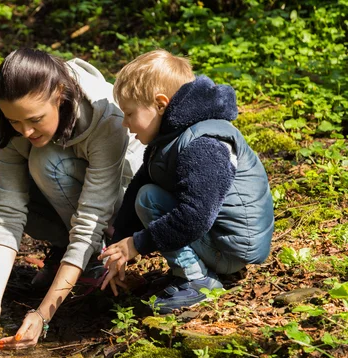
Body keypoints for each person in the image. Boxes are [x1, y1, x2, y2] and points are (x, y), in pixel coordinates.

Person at [0, 48, 144, 349]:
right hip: (65, 191)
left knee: (46, 161)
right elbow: (8, 208)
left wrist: (43, 314)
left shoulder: (104, 113)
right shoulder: (18, 112)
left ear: (59, 94)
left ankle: (93, 261)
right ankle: (63, 252)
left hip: (120, 210)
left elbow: (91, 220)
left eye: (35, 119)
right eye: (15, 122)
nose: (25, 130)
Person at [98, 49, 274, 314]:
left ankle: (198, 281)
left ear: (160, 104)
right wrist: (119, 246)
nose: (125, 123)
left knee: (149, 198)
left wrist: (135, 245)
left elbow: (196, 216)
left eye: (130, 113)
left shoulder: (204, 143)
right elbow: (137, 185)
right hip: (216, 238)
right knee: (144, 192)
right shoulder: (172, 136)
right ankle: (191, 271)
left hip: (231, 249)